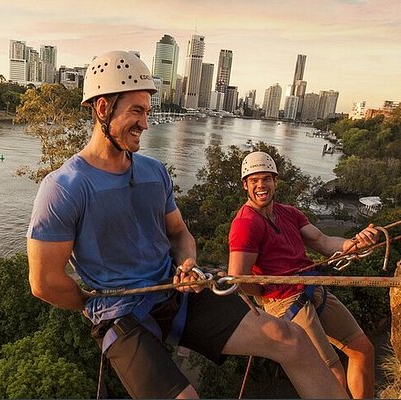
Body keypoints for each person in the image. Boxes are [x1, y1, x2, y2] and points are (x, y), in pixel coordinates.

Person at [27, 50, 348, 399]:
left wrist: (187, 263)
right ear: (103, 109)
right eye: (136, 111)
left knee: (291, 339)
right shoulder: (64, 188)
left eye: (147, 112)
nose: (146, 124)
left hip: (176, 292)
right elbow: (44, 282)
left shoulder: (153, 172)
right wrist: (94, 303)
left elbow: (179, 233)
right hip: (119, 312)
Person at [228, 151, 378, 399]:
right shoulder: (246, 223)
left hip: (312, 288)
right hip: (285, 302)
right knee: (331, 375)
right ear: (245, 185)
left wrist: (357, 243)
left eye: (266, 178)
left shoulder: (290, 213)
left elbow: (323, 241)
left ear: (276, 181)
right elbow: (238, 279)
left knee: (363, 350)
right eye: (254, 180)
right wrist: (267, 294)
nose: (261, 185)